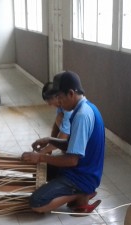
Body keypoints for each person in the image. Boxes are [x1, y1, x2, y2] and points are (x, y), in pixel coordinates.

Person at [21, 71, 104, 214]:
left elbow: (72, 160)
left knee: (36, 202)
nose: (58, 102)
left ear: (71, 93)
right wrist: (51, 140)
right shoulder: (86, 108)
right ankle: (77, 193)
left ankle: (81, 194)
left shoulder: (82, 116)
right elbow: (75, 147)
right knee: (40, 168)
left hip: (82, 176)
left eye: (60, 97)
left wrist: (40, 156)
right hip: (81, 170)